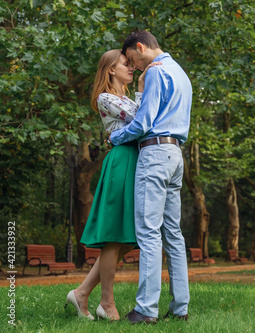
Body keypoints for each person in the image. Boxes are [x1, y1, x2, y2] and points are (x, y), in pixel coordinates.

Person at [65, 49, 158, 321]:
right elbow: (143, 120)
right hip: (121, 163)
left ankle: (81, 293)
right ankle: (106, 302)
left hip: (135, 161)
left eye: (132, 64)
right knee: (117, 236)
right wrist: (142, 88)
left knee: (130, 239)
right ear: (110, 70)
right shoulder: (106, 98)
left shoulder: (125, 98)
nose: (132, 68)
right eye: (126, 64)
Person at [108, 31, 192, 324]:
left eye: (133, 59)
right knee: (173, 234)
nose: (135, 67)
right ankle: (180, 307)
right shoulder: (180, 73)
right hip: (175, 155)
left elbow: (143, 123)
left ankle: (146, 309)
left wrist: (115, 138)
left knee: (148, 232)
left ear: (140, 47)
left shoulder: (156, 72)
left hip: (155, 155)